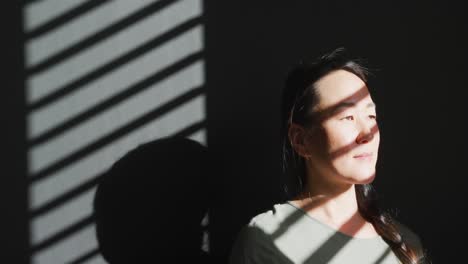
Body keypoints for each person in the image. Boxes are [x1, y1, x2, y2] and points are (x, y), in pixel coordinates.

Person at [229, 48, 427, 264]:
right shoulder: (265, 241)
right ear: (301, 140)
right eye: (347, 117)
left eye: (371, 115)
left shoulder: (405, 244)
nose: (367, 133)